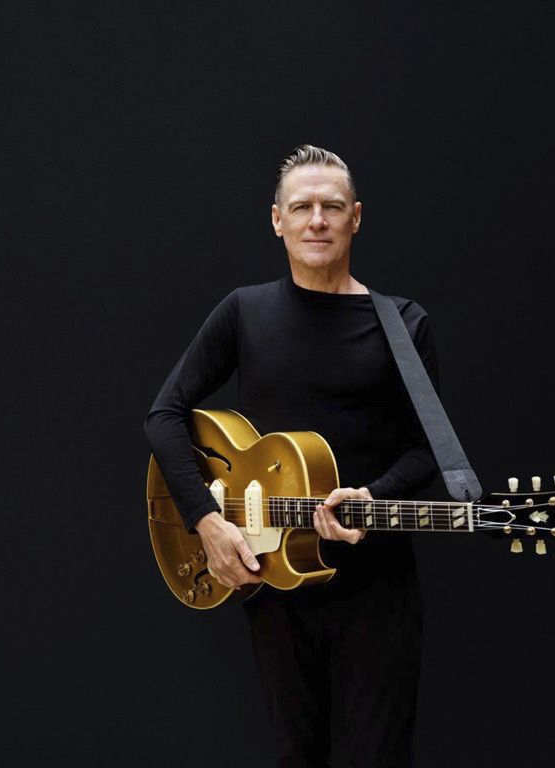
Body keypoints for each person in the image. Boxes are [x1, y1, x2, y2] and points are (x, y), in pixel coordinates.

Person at [144, 144, 440, 767]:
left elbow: (427, 452)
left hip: (378, 588)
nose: (317, 221)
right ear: (277, 220)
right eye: (301, 207)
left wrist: (373, 497)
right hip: (276, 583)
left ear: (356, 217)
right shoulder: (244, 312)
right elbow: (164, 415)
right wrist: (207, 521)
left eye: (332, 207)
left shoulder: (403, 323)